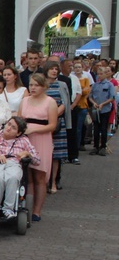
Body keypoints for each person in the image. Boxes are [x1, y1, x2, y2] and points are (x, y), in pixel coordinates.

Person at [18, 73, 58, 222]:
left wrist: (34, 129)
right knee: (27, 175)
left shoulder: (50, 102)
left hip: (42, 139)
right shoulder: (25, 101)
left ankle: (37, 210)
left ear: (43, 87)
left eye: (36, 85)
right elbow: (20, 119)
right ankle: (27, 207)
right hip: (26, 140)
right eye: (31, 85)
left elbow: (52, 125)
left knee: (40, 175)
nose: (33, 88)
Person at [43, 61, 70, 192]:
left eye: (56, 69)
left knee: (56, 155)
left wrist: (53, 114)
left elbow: (65, 103)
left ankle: (53, 182)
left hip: (58, 123)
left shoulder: (62, 85)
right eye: (51, 69)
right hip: (43, 122)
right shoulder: (41, 84)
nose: (54, 71)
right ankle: (44, 182)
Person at [88, 65, 115, 156]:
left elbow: (112, 97)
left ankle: (103, 146)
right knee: (96, 129)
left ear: (106, 74)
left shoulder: (109, 85)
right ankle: (95, 146)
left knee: (103, 128)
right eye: (98, 74)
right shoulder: (95, 85)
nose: (99, 75)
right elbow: (90, 96)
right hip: (96, 110)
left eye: (101, 74)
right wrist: (94, 103)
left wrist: (103, 104)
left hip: (105, 110)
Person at [71, 60, 92, 155]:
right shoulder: (71, 78)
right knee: (73, 127)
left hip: (82, 105)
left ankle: (78, 145)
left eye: (79, 67)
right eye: (76, 67)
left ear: (82, 68)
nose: (77, 69)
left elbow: (86, 92)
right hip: (72, 106)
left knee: (79, 127)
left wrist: (80, 91)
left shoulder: (86, 79)